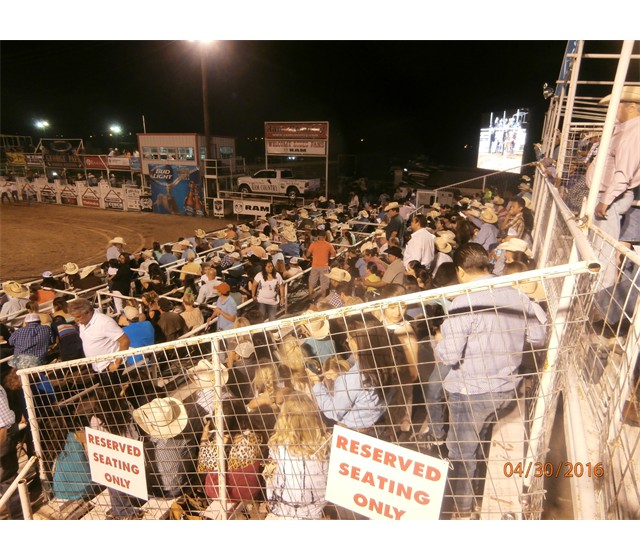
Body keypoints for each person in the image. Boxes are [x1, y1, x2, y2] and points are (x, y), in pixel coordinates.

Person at [434, 243, 547, 517]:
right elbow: (538, 337)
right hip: (505, 388)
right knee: (480, 437)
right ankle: (474, 490)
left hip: (469, 392)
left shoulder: (463, 303)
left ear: (460, 271)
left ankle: (462, 508)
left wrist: (439, 341)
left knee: (461, 452)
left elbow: (449, 356)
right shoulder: (517, 295)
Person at [589, 86, 640, 296]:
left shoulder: (634, 132)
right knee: (602, 250)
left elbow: (623, 172)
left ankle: (601, 302)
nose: (613, 110)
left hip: (611, 198)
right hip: (608, 196)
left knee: (605, 253)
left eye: (616, 105)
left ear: (631, 106)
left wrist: (606, 201)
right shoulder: (626, 130)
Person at [309, 315, 394, 438]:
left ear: (360, 342)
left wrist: (317, 384)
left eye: (350, 337)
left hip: (353, 435)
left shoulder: (353, 378)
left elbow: (334, 412)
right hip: (378, 427)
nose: (347, 341)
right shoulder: (386, 365)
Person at [263, 393, 330, 520]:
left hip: (281, 511)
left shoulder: (277, 446)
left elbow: (270, 480)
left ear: (284, 418)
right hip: (315, 512)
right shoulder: (326, 445)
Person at [68, 298, 130, 389]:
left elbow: (125, 341)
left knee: (117, 397)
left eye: (78, 316)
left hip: (110, 368)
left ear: (87, 312)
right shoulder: (82, 323)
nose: (76, 320)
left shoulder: (104, 322)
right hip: (97, 368)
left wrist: (117, 363)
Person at [305, 229, 336, 300]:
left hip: (314, 266)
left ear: (318, 236)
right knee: (324, 284)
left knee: (312, 282)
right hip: (324, 266)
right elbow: (334, 255)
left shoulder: (313, 244)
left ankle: (310, 297)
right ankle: (323, 299)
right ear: (325, 236)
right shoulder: (329, 245)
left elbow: (307, 254)